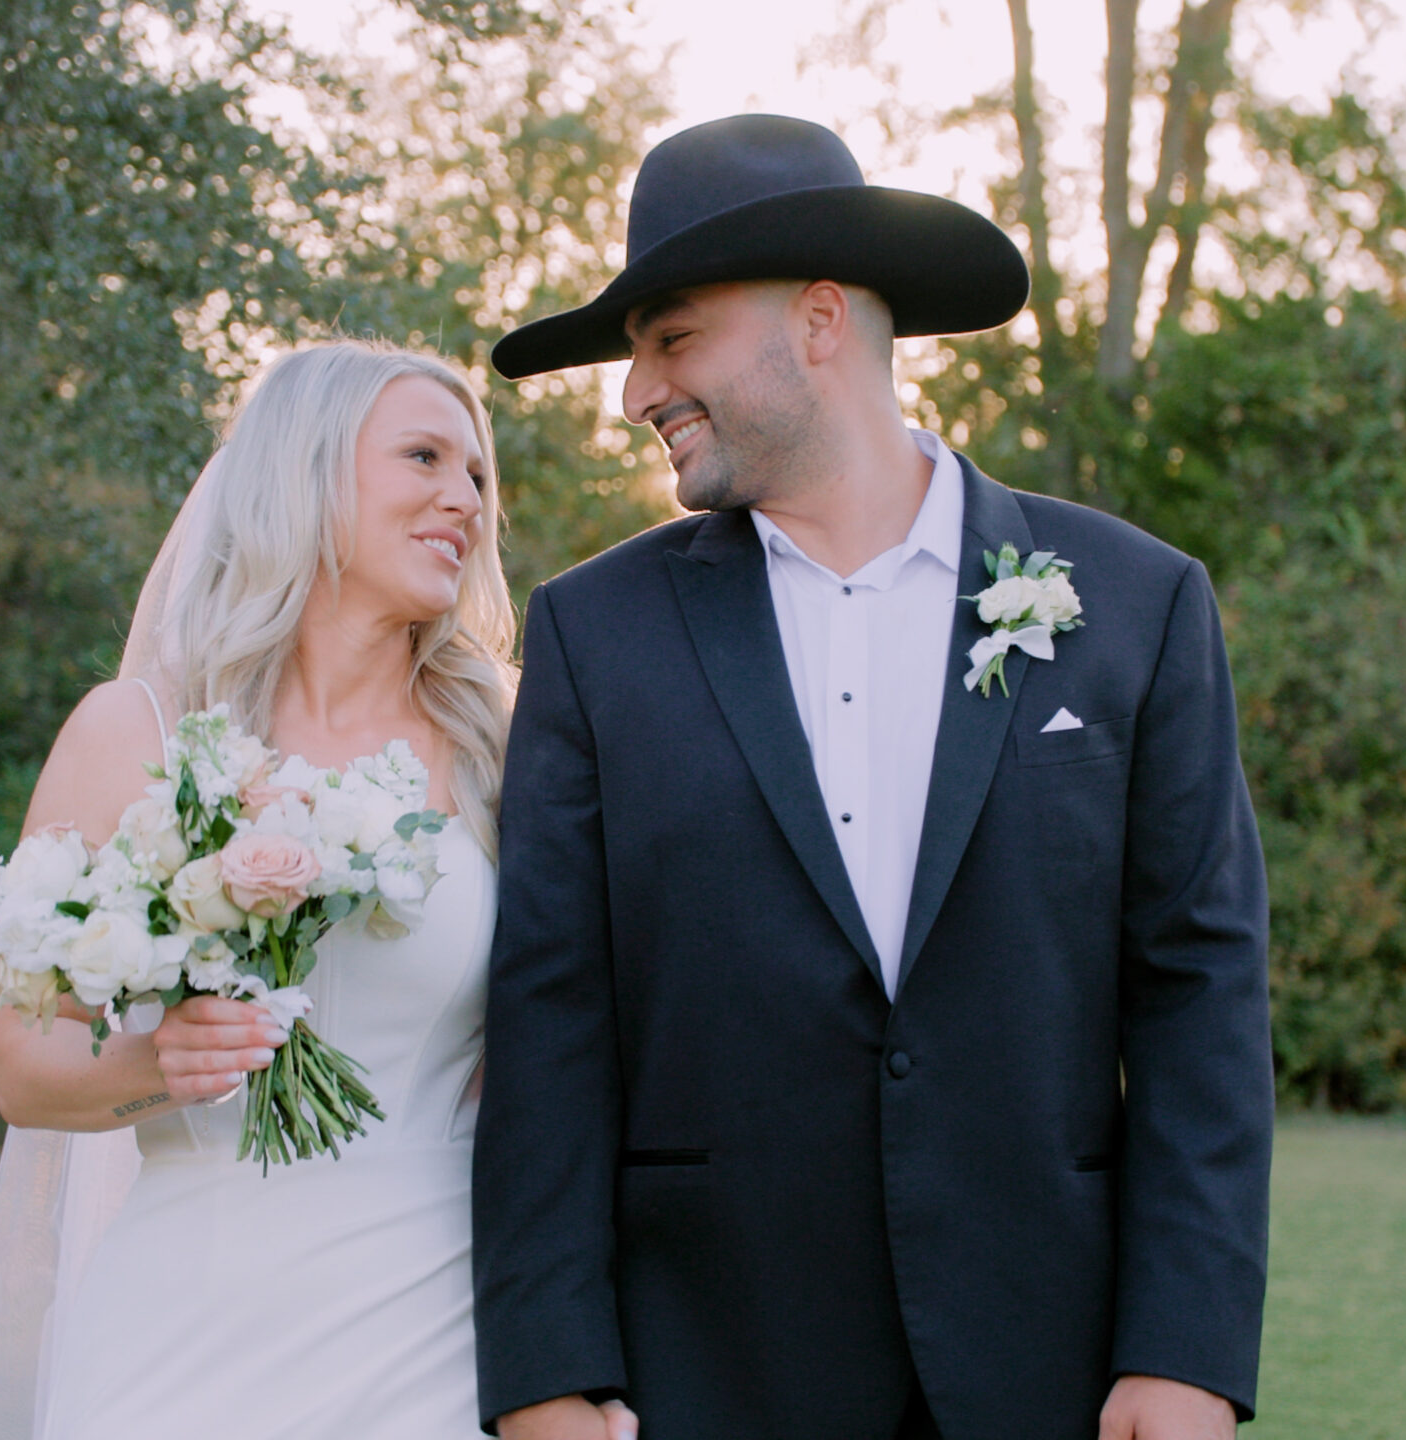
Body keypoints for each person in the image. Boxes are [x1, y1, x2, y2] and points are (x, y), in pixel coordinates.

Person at [473, 115, 1274, 1440]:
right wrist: (548, 1375)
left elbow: (1200, 993)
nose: (634, 392)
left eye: (670, 338)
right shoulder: (591, 636)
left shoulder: (1138, 605)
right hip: (709, 1370)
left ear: (824, 320)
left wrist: (1185, 1349)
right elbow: (553, 1019)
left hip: (1051, 1364)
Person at [0, 341, 520, 1439]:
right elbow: (23, 1068)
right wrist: (158, 1063)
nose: (463, 498)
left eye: (477, 475)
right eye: (423, 457)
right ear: (305, 476)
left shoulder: (510, 740)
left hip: (434, 1316)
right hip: (181, 1312)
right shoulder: (136, 733)